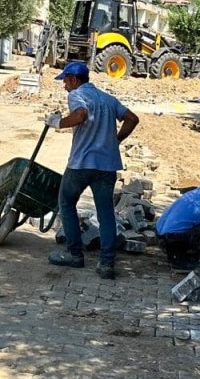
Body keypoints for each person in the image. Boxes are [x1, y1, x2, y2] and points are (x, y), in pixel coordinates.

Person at [46, 62, 140, 280]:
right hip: (107, 166)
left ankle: (75, 254)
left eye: (66, 81)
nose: (65, 86)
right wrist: (116, 140)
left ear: (75, 80)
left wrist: (57, 122)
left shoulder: (77, 95)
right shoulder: (107, 99)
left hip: (81, 163)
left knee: (66, 203)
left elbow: (80, 116)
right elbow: (132, 119)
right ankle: (106, 263)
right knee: (105, 212)